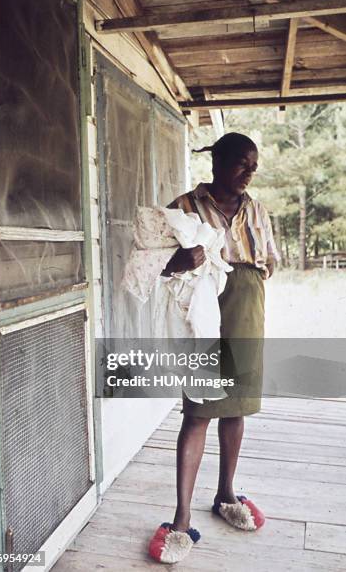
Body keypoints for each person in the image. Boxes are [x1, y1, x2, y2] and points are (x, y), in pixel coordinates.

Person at [148, 132, 280, 564]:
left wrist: (248, 279)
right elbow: (149, 263)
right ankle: (181, 519)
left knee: (236, 405)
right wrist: (176, 263)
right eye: (242, 162)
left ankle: (225, 494)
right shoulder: (184, 207)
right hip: (200, 308)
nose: (249, 172)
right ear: (217, 161)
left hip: (246, 304)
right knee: (199, 409)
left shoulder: (257, 210)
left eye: (253, 165)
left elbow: (269, 263)